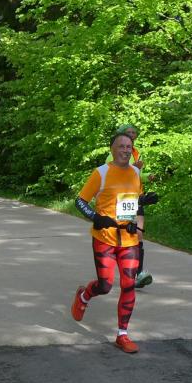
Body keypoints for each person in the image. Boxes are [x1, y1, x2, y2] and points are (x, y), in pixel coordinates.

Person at [71, 132, 144, 353]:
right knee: (105, 286)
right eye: (121, 146)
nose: (125, 150)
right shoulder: (101, 173)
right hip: (105, 238)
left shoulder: (136, 173)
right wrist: (96, 218)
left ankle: (122, 334)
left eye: (129, 147)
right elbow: (80, 201)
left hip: (129, 240)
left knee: (129, 284)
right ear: (112, 149)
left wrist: (140, 227)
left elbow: (138, 204)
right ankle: (84, 295)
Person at [107, 123, 153, 289]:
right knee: (123, 235)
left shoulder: (136, 152)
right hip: (123, 197)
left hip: (137, 196)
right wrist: (134, 168)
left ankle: (137, 274)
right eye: (129, 132)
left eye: (134, 132)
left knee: (138, 234)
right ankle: (116, 269)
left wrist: (147, 176)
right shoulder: (113, 153)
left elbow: (136, 175)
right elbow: (115, 172)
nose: (133, 134)